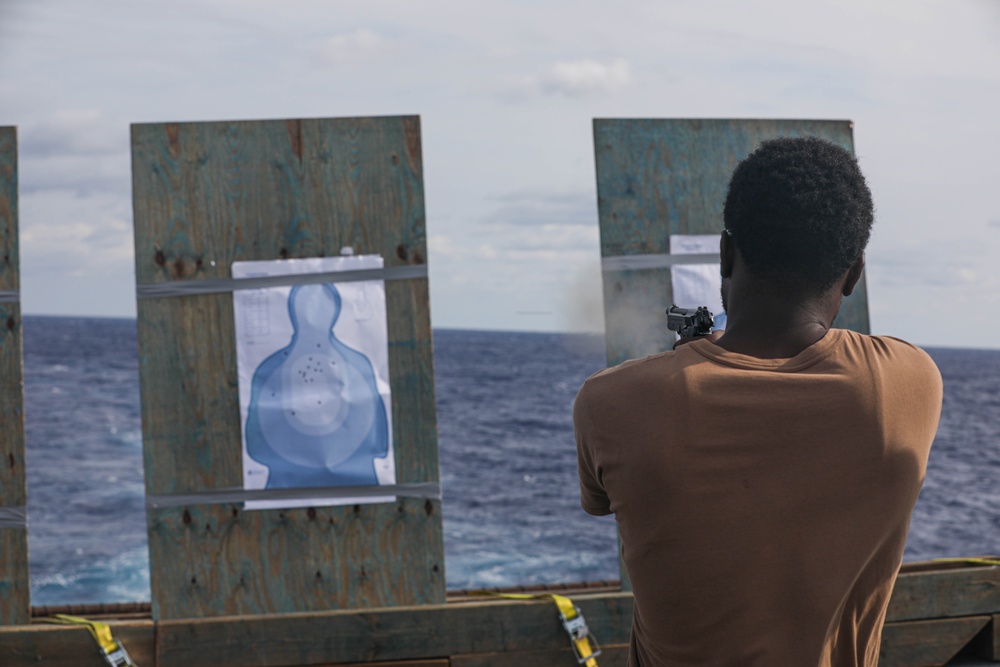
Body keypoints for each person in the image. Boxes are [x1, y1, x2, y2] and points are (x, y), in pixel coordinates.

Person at [574, 137, 943, 666]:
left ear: (726, 254)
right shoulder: (912, 382)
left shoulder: (607, 401)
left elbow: (603, 500)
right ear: (855, 274)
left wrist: (688, 362)